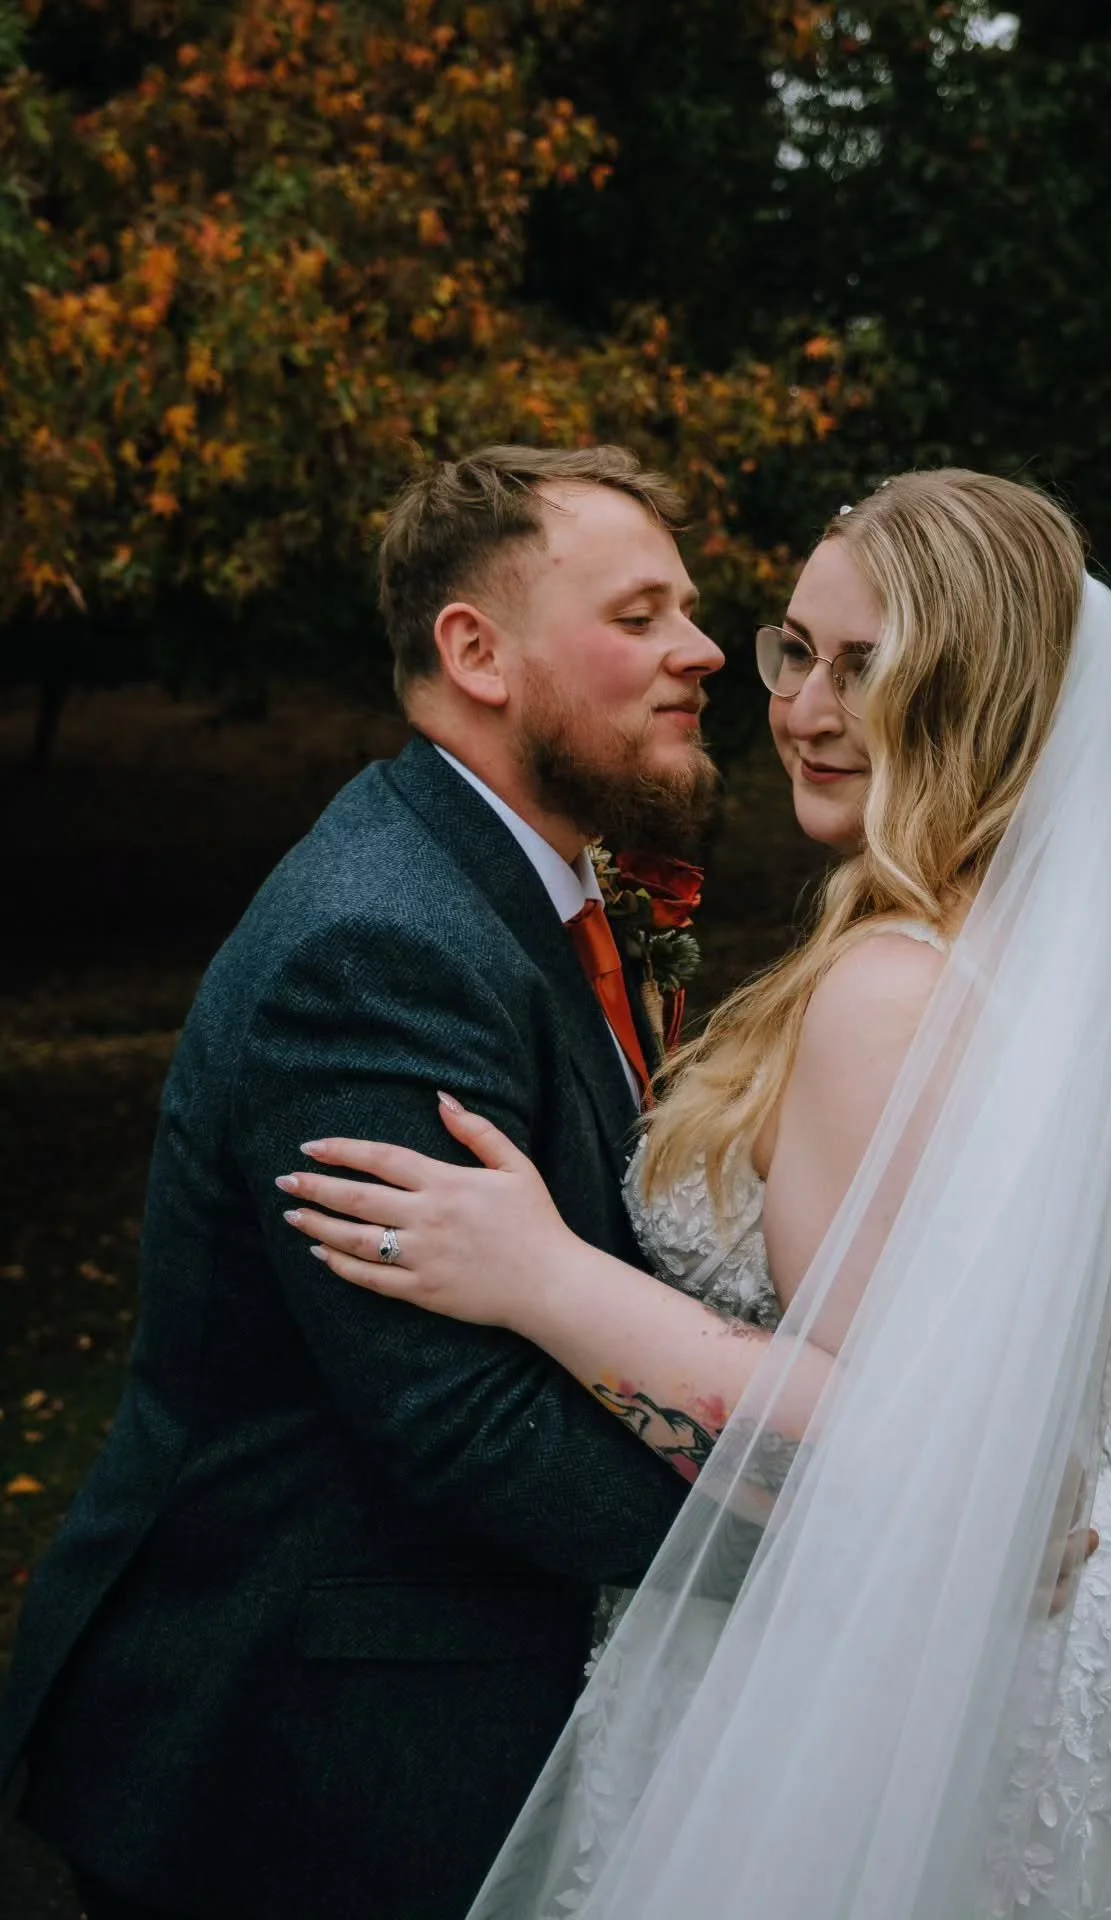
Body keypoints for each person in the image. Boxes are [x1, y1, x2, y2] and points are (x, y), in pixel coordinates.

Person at [282, 469, 1111, 1918]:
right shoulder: (1062, 960)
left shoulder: (886, 988)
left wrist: (548, 1276)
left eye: (869, 667)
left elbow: (891, 1444)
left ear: (973, 694)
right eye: (797, 648)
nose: (799, 703)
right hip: (1073, 1611)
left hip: (903, 1656)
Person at [0, 445, 728, 1920]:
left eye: (690, 612)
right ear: (478, 652)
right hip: (308, 1755)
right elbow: (459, 1419)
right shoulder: (378, 943)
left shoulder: (520, 886)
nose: (703, 650)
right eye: (641, 614)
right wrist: (811, 1552)